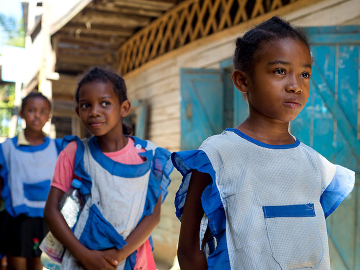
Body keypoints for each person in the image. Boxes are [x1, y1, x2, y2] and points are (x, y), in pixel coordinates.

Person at [171, 16, 355, 270]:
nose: (295, 85)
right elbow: (190, 250)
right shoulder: (218, 156)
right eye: (280, 71)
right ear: (243, 81)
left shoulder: (315, 165)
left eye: (304, 74)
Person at [44, 67, 173, 270]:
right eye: (86, 105)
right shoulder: (74, 153)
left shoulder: (149, 156)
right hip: (83, 261)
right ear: (78, 111)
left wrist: (118, 256)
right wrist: (83, 255)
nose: (94, 111)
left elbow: (152, 216)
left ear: (124, 108)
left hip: (134, 260)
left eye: (105, 103)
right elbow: (51, 211)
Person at [0, 92, 62, 270]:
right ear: (21, 113)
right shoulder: (7, 149)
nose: (37, 115)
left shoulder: (56, 148)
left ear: (48, 116)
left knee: (39, 263)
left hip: (46, 219)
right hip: (16, 220)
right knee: (16, 263)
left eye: (43, 111)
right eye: (31, 110)